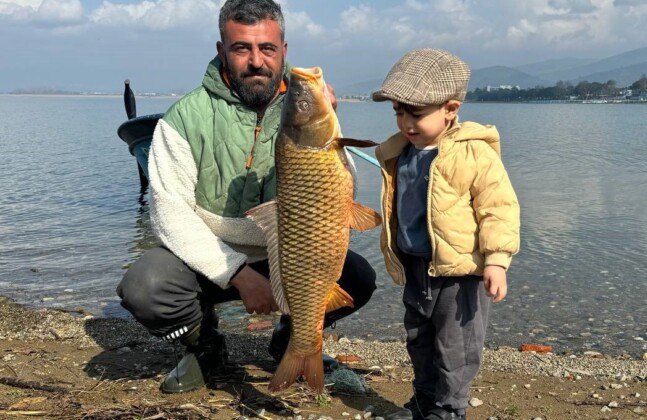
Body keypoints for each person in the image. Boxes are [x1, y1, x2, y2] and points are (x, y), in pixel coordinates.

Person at [116, 0, 376, 394]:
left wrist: (334, 128)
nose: (257, 60)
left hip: (289, 258)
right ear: (222, 50)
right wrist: (239, 275)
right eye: (242, 48)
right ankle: (205, 346)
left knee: (358, 277)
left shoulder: (305, 108)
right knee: (146, 285)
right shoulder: (184, 118)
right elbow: (170, 214)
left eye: (267, 48)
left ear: (283, 51)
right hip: (209, 259)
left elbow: (334, 199)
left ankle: (294, 337)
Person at [372, 48, 520, 420]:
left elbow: (498, 209)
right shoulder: (401, 152)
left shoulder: (475, 154)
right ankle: (423, 401)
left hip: (460, 274)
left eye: (416, 113)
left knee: (455, 347)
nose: (405, 122)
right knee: (418, 340)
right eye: (398, 111)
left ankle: (450, 409)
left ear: (450, 109)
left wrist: (497, 262)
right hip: (416, 266)